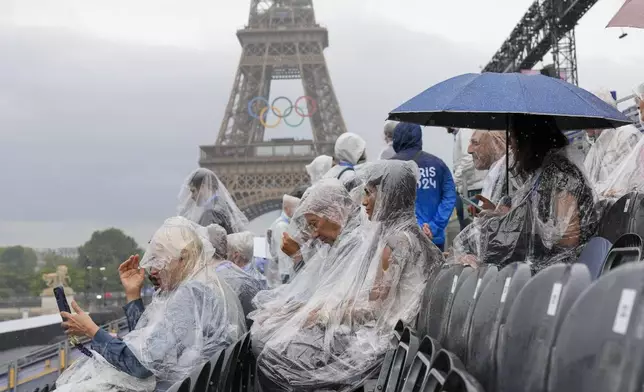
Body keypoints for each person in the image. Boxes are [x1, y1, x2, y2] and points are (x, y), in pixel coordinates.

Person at [255, 160, 443, 391]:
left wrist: (324, 315)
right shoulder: (412, 238)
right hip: (398, 345)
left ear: (388, 195)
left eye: (369, 193)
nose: (363, 201)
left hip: (381, 349)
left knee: (271, 360)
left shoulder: (395, 243)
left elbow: (373, 311)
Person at [54, 217, 245, 392]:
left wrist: (92, 331)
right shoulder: (205, 286)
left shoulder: (191, 294)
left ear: (183, 256)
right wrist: (133, 294)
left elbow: (140, 366)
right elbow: (147, 345)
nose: (152, 270)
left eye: (158, 260)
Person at [451, 115, 598, 273]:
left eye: (514, 138)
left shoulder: (562, 173)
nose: (511, 145)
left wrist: (519, 232)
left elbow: (568, 240)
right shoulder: (542, 172)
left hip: (560, 274)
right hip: (540, 266)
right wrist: (504, 216)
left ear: (529, 139)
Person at [391, 122, 457, 251]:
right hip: (433, 237)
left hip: (402, 239)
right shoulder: (438, 164)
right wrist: (433, 226)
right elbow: (449, 197)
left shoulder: (388, 167)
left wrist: (415, 229)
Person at [584, 89, 641, 192]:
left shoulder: (626, 135)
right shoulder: (596, 147)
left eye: (587, 115)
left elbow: (624, 183)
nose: (583, 124)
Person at [177, 168, 248, 233]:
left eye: (193, 191)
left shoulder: (211, 213)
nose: (192, 196)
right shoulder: (223, 205)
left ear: (203, 187)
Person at [448, 127, 487, 230]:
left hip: (471, 191)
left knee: (470, 236)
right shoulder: (461, 132)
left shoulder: (465, 130)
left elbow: (468, 159)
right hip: (469, 190)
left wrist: (453, 182)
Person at [468, 130, 508, 208]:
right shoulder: (496, 172)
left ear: (496, 144)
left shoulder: (507, 175)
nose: (469, 150)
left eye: (475, 143)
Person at [268, 195, 301, 286]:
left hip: (286, 269)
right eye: (296, 208)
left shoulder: (281, 223)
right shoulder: (282, 225)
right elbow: (284, 252)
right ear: (287, 209)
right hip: (287, 270)